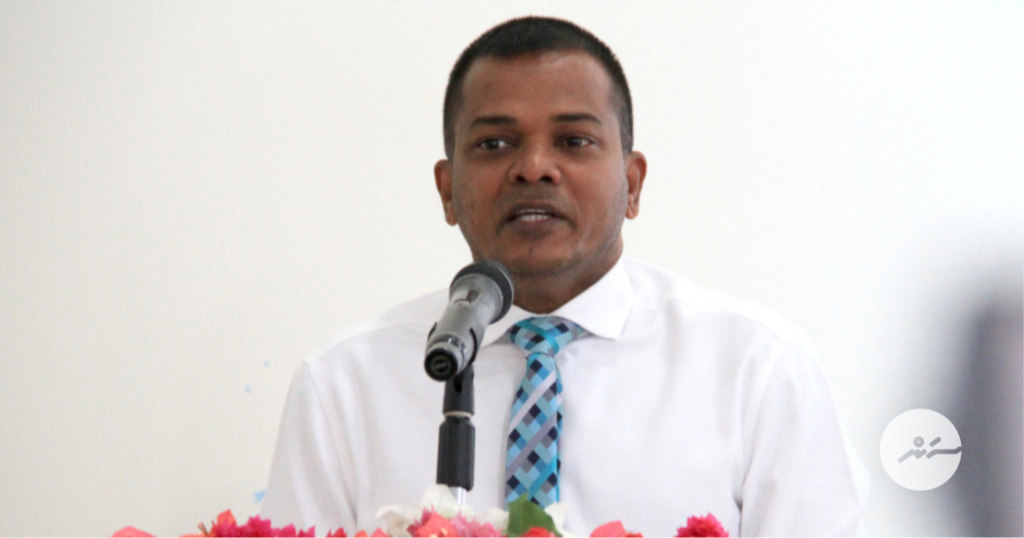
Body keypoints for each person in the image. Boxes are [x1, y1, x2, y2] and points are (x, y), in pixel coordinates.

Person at [261, 16, 869, 537]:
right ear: (447, 190)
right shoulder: (343, 385)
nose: (533, 168)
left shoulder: (756, 369)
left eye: (574, 140)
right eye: (495, 143)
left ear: (632, 184)